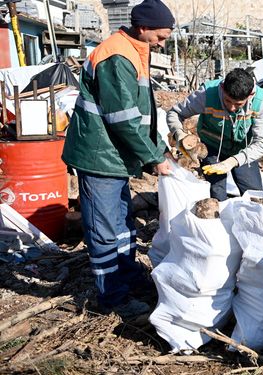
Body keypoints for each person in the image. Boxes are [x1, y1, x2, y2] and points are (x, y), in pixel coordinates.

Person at [62, 0, 175, 317]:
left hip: (113, 155)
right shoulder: (117, 55)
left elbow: (141, 110)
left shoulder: (135, 49)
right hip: (99, 156)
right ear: (143, 28)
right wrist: (154, 158)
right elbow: (122, 117)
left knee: (123, 223)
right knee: (104, 228)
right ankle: (113, 299)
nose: (163, 43)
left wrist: (159, 145)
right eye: (161, 37)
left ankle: (126, 276)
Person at [167, 68, 263, 200]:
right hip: (212, 147)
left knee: (255, 194)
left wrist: (233, 161)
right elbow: (175, 113)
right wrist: (178, 133)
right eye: (227, 101)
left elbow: (262, 143)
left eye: (238, 104)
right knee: (217, 191)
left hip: (243, 149)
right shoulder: (207, 93)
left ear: (250, 95)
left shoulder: (259, 101)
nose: (232, 108)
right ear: (222, 88)